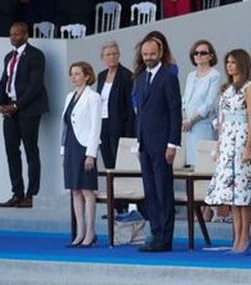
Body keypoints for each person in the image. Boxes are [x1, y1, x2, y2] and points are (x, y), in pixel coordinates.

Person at [204, 49, 251, 254]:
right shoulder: (227, 89)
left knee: (243, 193)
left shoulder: (249, 87)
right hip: (227, 141)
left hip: (243, 139)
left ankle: (245, 236)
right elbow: (222, 120)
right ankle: (236, 236)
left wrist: (248, 148)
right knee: (232, 194)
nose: (229, 65)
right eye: (227, 62)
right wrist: (219, 147)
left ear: (242, 64)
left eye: (233, 62)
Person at [134, 36, 182, 252]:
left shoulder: (168, 77)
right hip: (145, 144)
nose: (148, 58)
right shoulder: (140, 78)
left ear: (160, 53)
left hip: (163, 144)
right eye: (145, 54)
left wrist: (173, 143)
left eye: (152, 54)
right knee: (150, 191)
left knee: (163, 192)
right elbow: (140, 113)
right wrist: (139, 142)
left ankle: (165, 238)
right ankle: (155, 234)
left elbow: (174, 111)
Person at [0, 22, 49, 209]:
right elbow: (3, 81)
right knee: (11, 151)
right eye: (11, 34)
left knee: (30, 151)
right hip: (10, 110)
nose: (13, 37)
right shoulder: (8, 57)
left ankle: (31, 195)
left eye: (17, 34)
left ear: (26, 35)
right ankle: (17, 194)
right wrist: (1, 105)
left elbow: (36, 86)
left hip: (29, 109)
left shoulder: (36, 55)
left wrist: (17, 105)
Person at [60, 61, 102, 247]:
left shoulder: (93, 97)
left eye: (77, 73)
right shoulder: (69, 96)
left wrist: (91, 154)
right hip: (71, 145)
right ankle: (80, 231)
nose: (73, 77)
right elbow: (65, 125)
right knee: (74, 190)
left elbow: (95, 127)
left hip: (84, 146)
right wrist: (63, 150)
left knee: (86, 189)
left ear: (87, 76)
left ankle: (91, 231)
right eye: (72, 74)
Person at [97, 41, 135, 179]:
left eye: (114, 54)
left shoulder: (126, 75)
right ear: (102, 58)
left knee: (120, 162)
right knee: (108, 161)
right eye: (108, 54)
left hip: (119, 125)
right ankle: (111, 190)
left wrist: (129, 132)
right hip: (103, 123)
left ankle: (122, 190)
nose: (112, 57)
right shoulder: (101, 76)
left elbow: (130, 107)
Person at [182, 39, 221, 169]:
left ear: (210, 56)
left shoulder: (214, 75)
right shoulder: (190, 75)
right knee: (191, 163)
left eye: (203, 53)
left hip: (203, 124)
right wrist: (184, 118)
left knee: (204, 163)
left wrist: (192, 120)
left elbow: (210, 103)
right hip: (188, 126)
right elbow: (185, 99)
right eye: (196, 53)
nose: (198, 55)